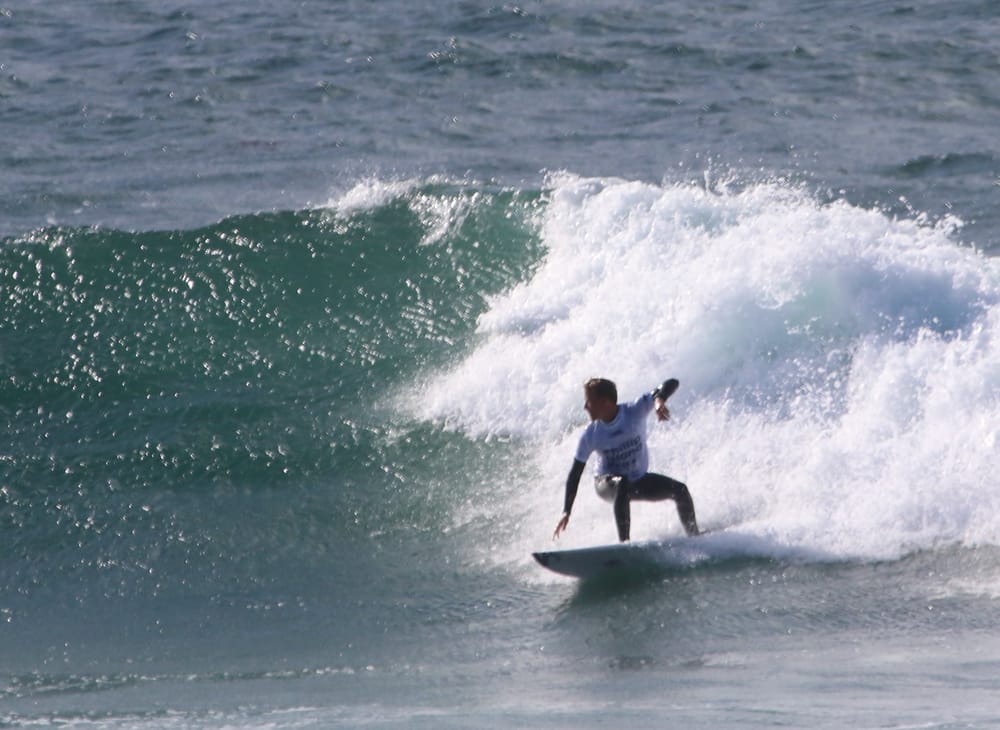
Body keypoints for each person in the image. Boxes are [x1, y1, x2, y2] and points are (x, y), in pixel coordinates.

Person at [553, 377, 700, 542]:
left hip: (637, 480)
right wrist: (567, 511)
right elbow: (575, 473)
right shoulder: (591, 434)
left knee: (680, 490)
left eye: (589, 401)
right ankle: (625, 545)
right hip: (606, 483)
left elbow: (671, 383)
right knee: (621, 483)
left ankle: (695, 538)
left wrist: (659, 400)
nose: (585, 406)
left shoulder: (634, 411)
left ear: (604, 402)